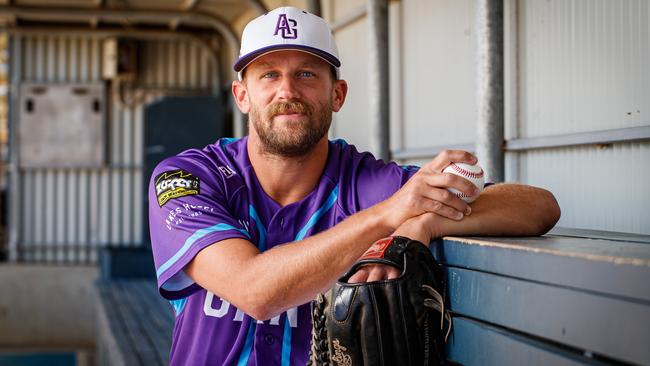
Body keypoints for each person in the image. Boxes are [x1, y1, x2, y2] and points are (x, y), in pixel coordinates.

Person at [148, 6, 560, 366]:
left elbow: (538, 207)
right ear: (242, 95)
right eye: (269, 75)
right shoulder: (187, 179)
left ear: (337, 94)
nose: (287, 91)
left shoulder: (364, 181)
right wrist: (389, 215)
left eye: (307, 74)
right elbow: (255, 292)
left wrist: (419, 227)